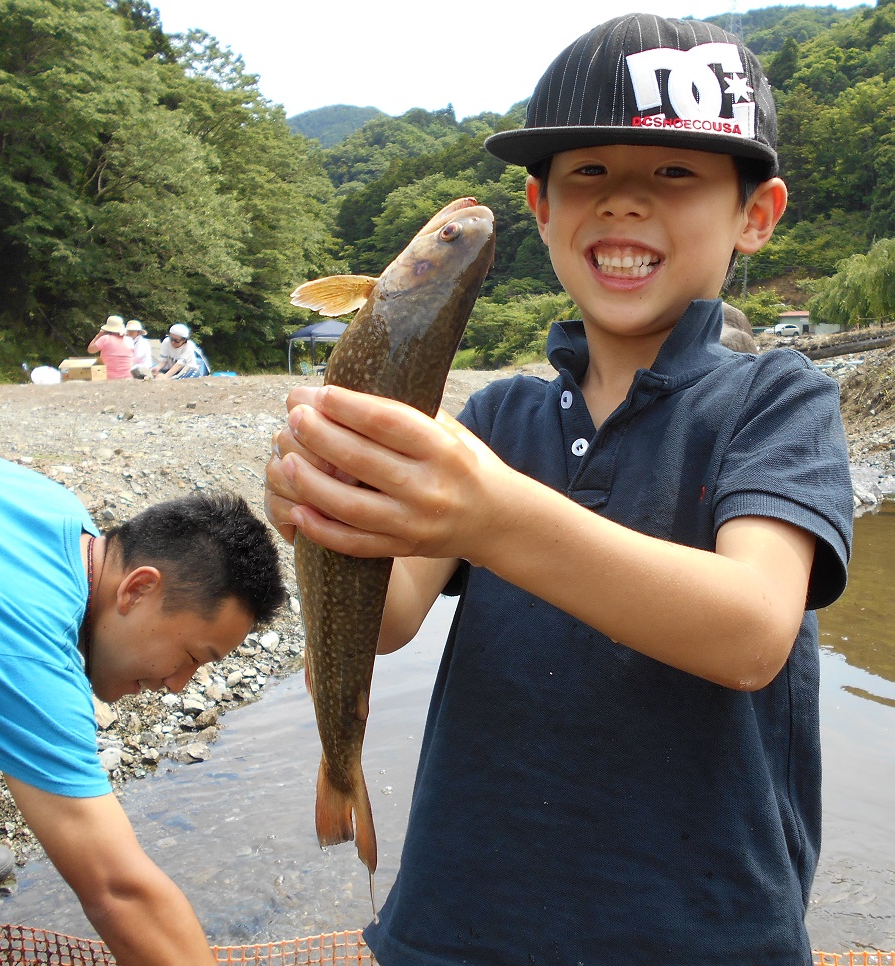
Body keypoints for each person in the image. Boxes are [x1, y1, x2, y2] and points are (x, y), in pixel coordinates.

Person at [264, 13, 853, 964]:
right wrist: (323, 504)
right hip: (456, 932)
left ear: (757, 213)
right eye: (589, 174)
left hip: (700, 938)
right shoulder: (497, 421)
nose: (623, 204)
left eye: (673, 174)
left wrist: (493, 515)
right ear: (541, 208)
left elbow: (750, 633)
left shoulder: (776, 403)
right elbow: (383, 619)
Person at [0, 432, 286, 965]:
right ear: (137, 589)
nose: (180, 684)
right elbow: (119, 891)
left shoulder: (61, 516)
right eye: (195, 656)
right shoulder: (28, 656)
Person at [86, 315, 133, 380]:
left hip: (109, 377)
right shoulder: (129, 340)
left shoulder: (104, 339)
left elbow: (90, 350)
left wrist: (98, 335)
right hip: (128, 376)